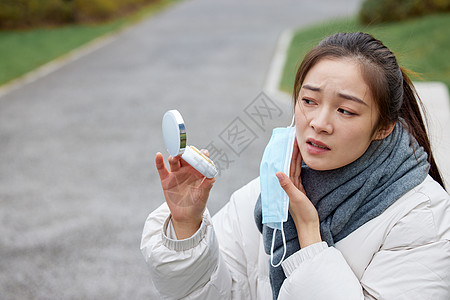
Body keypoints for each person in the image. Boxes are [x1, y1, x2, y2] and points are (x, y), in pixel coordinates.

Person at [140, 32, 450, 299]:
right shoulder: (268, 191)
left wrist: (308, 238)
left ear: (383, 126)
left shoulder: (423, 218)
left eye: (345, 110)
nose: (319, 123)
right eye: (309, 101)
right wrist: (186, 226)